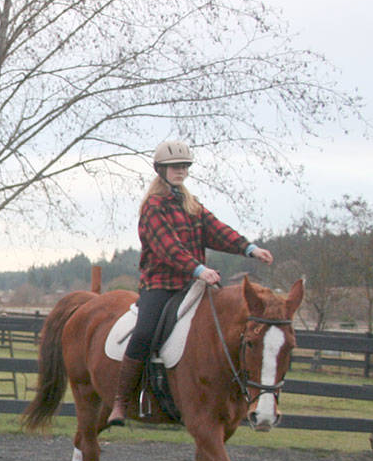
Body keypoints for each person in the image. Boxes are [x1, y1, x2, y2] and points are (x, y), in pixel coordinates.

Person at [107, 141, 273, 427]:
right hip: (160, 284)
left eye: (184, 167)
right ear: (161, 170)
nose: (180, 171)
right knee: (145, 332)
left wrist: (249, 249)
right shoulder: (153, 207)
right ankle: (120, 402)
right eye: (175, 167)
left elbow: (218, 231)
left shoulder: (191, 204)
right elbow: (166, 246)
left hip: (193, 284)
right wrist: (197, 268)